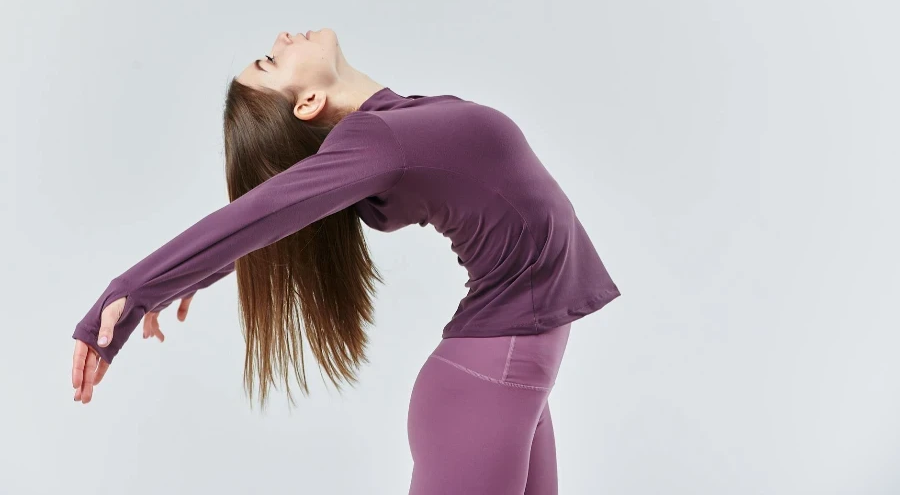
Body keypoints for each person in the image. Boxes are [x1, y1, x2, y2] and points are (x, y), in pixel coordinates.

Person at [69, 28, 622, 494]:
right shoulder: (378, 137)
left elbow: (285, 212)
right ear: (307, 103)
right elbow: (263, 213)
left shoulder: (393, 125)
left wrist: (192, 274)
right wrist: (137, 289)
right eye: (270, 60)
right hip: (487, 378)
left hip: (509, 374)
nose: (283, 38)